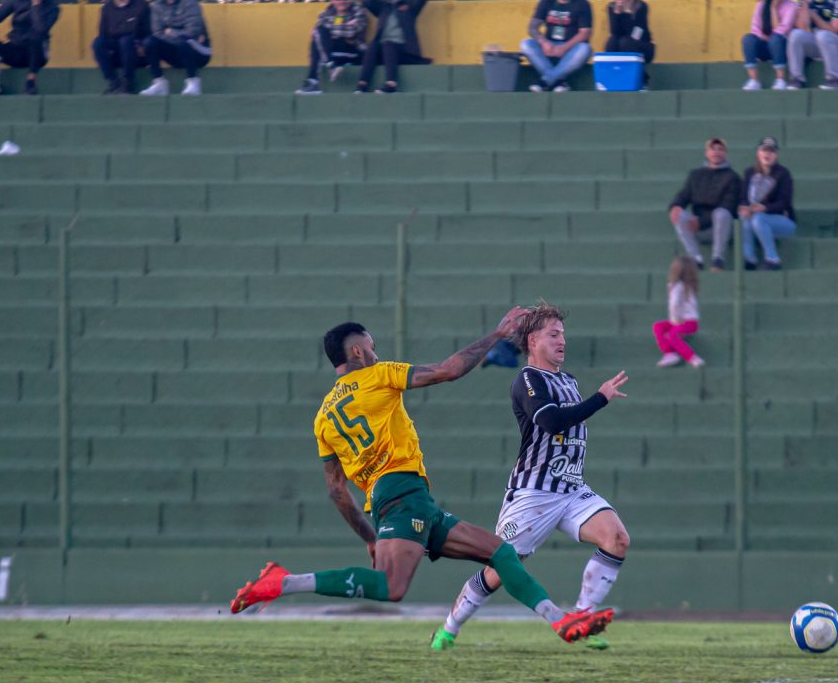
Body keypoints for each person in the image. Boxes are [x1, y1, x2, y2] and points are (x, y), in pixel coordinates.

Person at [229, 311, 614, 646]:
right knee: (391, 588)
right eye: (372, 346)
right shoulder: (379, 375)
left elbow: (336, 490)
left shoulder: (323, 416)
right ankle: (284, 582)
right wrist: (497, 336)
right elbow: (448, 370)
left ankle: (561, 621)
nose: (376, 352)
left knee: (502, 552)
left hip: (403, 500)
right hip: (401, 493)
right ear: (358, 352)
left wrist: (370, 537)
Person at [429, 304, 631, 650]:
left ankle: (582, 617)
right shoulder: (528, 379)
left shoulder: (568, 379)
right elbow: (551, 422)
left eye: (563, 334)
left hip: (570, 488)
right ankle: (449, 628)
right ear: (532, 340)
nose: (562, 341)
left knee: (617, 538)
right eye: (553, 334)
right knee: (501, 568)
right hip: (534, 493)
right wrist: (600, 399)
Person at [668, 137, 740, 271]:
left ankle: (718, 260)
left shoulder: (733, 177)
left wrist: (702, 222)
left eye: (720, 149)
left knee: (722, 213)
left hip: (723, 229)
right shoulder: (695, 175)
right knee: (679, 214)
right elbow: (684, 195)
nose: (716, 152)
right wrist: (675, 206)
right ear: (706, 153)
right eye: (712, 149)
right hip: (697, 229)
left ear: (725, 153)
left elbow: (728, 206)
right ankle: (696, 260)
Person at [0, 0, 59, 96]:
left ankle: (30, 83)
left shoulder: (52, 7)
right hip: (15, 48)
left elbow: (40, 29)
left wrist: (36, 4)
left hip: (37, 54)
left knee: (35, 37)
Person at [354, 0, 432, 95]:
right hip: (384, 54)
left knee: (388, 44)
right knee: (373, 46)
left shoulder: (411, 4)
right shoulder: (382, 6)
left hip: (405, 52)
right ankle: (362, 84)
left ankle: (391, 84)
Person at [739, 135, 796, 271]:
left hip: (781, 220)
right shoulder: (749, 173)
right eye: (764, 150)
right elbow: (743, 197)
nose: (767, 154)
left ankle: (772, 258)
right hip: (753, 218)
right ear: (758, 153)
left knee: (758, 219)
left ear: (776, 154)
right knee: (745, 218)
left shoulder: (783, 174)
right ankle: (749, 258)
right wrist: (745, 207)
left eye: (771, 151)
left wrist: (764, 208)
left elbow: (784, 202)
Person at [140, 0, 212, 96]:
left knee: (183, 41)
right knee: (149, 42)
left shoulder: (189, 1)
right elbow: (157, 33)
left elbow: (192, 32)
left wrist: (171, 32)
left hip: (199, 52)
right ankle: (159, 83)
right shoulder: (157, 5)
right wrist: (172, 35)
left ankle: (193, 82)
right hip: (176, 52)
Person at [296, 0, 369, 95]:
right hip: (333, 52)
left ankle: (314, 80)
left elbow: (352, 32)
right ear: (333, 0)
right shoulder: (327, 12)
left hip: (353, 51)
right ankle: (328, 67)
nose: (342, 1)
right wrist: (346, 25)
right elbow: (319, 30)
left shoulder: (358, 10)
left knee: (319, 39)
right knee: (319, 34)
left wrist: (333, 32)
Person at [521, 0, 594, 93]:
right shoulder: (546, 1)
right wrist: (543, 42)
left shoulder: (582, 3)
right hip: (548, 45)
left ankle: (545, 81)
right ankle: (559, 82)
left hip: (571, 48)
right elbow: (532, 28)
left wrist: (565, 48)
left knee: (585, 49)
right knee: (526, 44)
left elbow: (585, 33)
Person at [787, 0, 838, 90]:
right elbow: (802, 27)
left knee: (823, 35)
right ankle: (796, 79)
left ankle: (834, 79)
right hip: (817, 43)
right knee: (795, 34)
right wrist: (805, 1)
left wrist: (814, 16)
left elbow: (835, 30)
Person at [93, 0, 150, 95]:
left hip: (136, 52)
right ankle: (113, 82)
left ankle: (127, 83)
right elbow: (103, 34)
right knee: (98, 43)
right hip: (117, 53)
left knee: (126, 40)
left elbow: (149, 32)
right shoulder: (107, 8)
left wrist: (142, 45)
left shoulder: (140, 4)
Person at [742, 0, 796, 91]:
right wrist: (765, 37)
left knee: (775, 39)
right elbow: (755, 29)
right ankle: (754, 80)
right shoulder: (761, 6)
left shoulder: (791, 6)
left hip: (782, 47)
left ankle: (780, 79)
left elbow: (782, 31)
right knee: (748, 39)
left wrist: (773, 8)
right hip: (765, 45)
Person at [653, 256, 703, 368]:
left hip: (687, 322)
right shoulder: (687, 286)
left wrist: (676, 320)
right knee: (659, 326)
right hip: (683, 321)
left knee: (672, 334)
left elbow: (674, 305)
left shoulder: (679, 286)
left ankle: (692, 357)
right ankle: (670, 354)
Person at [605, 0, 654, 89]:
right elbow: (614, 32)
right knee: (611, 42)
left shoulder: (641, 6)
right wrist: (617, 13)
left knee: (626, 42)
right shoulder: (611, 6)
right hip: (621, 43)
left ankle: (642, 79)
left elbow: (636, 33)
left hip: (642, 46)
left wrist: (627, 12)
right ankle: (614, 78)